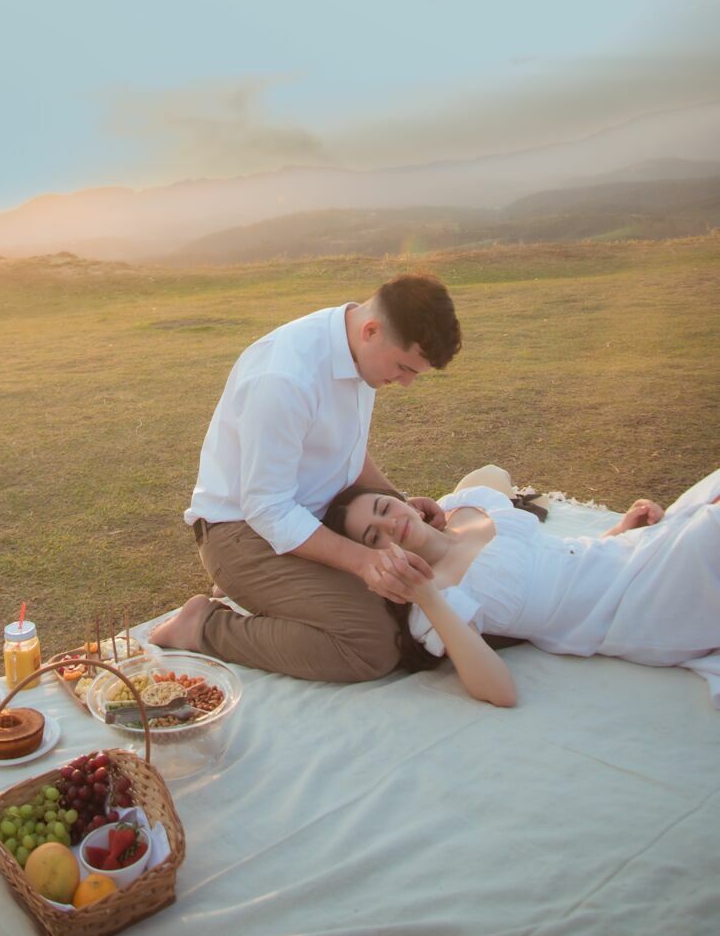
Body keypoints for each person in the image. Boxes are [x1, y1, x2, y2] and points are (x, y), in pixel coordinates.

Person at [149, 276, 463, 682]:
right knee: (372, 644)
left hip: (307, 514)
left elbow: (346, 449)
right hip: (240, 531)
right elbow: (268, 509)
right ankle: (203, 627)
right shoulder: (285, 378)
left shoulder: (358, 351)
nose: (406, 382)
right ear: (371, 330)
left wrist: (398, 502)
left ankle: (276, 590)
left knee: (414, 588)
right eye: (404, 368)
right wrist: (363, 562)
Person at [322, 465, 720, 707]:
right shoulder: (437, 596)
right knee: (712, 526)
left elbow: (498, 480)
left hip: (628, 553)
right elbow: (501, 692)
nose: (391, 525)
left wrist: (620, 531)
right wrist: (427, 597)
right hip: (633, 607)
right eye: (375, 537)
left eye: (385, 507)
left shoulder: (466, 507)